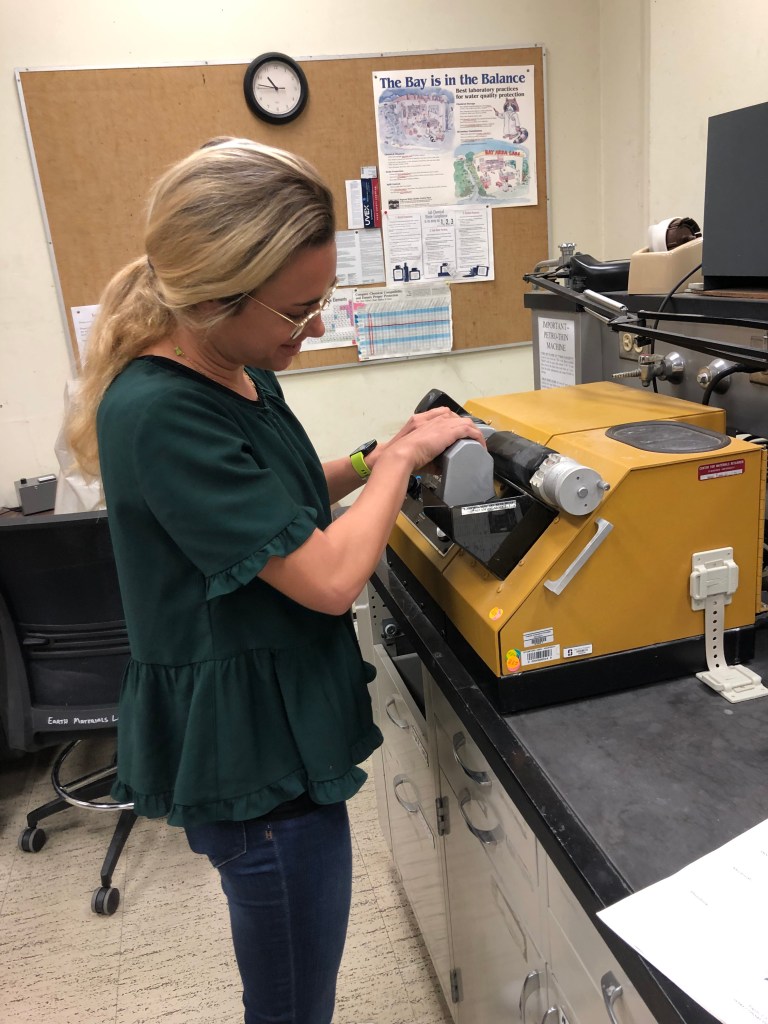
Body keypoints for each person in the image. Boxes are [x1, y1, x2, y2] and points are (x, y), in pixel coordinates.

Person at [65, 138, 484, 1024]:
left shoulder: (238, 369)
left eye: (322, 301)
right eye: (299, 311)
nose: (316, 328)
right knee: (293, 999)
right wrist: (401, 466)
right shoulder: (158, 410)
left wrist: (378, 451)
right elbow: (331, 578)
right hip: (250, 752)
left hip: (282, 716)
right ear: (217, 294)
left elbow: (282, 497)